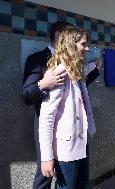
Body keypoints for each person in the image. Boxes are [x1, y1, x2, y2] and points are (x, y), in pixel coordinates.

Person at [22, 21, 101, 189]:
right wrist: (42, 84)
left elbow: (81, 80)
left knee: (80, 184)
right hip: (59, 139)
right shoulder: (53, 68)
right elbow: (42, 112)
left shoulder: (75, 67)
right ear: (67, 41)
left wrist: (96, 66)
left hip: (79, 138)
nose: (87, 48)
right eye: (83, 44)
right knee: (47, 179)